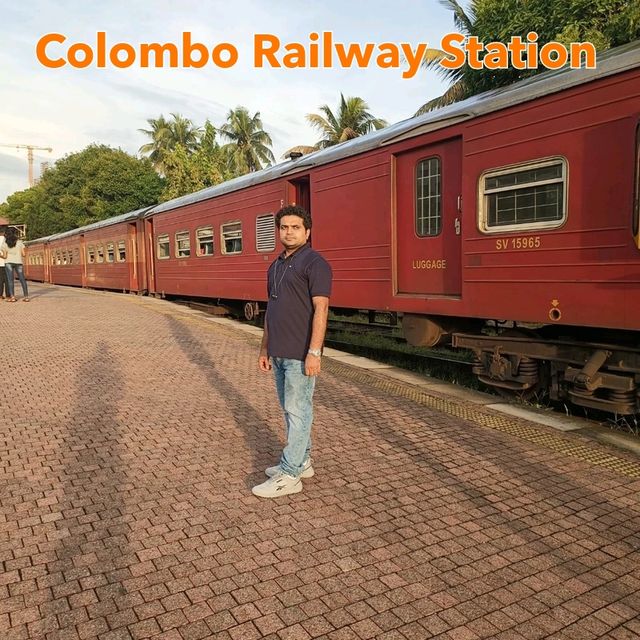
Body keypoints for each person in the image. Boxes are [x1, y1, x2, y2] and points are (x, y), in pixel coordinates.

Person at [252, 205, 332, 498]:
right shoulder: (274, 266)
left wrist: (315, 352)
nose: (289, 232)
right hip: (280, 351)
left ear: (307, 231)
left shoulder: (315, 263)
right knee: (290, 410)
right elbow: (271, 310)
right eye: (284, 227)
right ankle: (302, 460)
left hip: (301, 352)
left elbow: (321, 309)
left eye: (295, 227)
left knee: (299, 412)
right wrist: (264, 348)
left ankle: (290, 474)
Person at [1, 227, 29, 302]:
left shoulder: (5, 243)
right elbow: (23, 254)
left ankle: (12, 297)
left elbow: (5, 256)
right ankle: (26, 297)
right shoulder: (20, 242)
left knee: (10, 280)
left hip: (8, 263)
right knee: (22, 279)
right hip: (18, 262)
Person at [0, 226, 7, 299]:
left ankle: (0, 294)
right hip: (6, 262)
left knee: (0, 280)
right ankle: (8, 295)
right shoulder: (6, 240)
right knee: (7, 280)